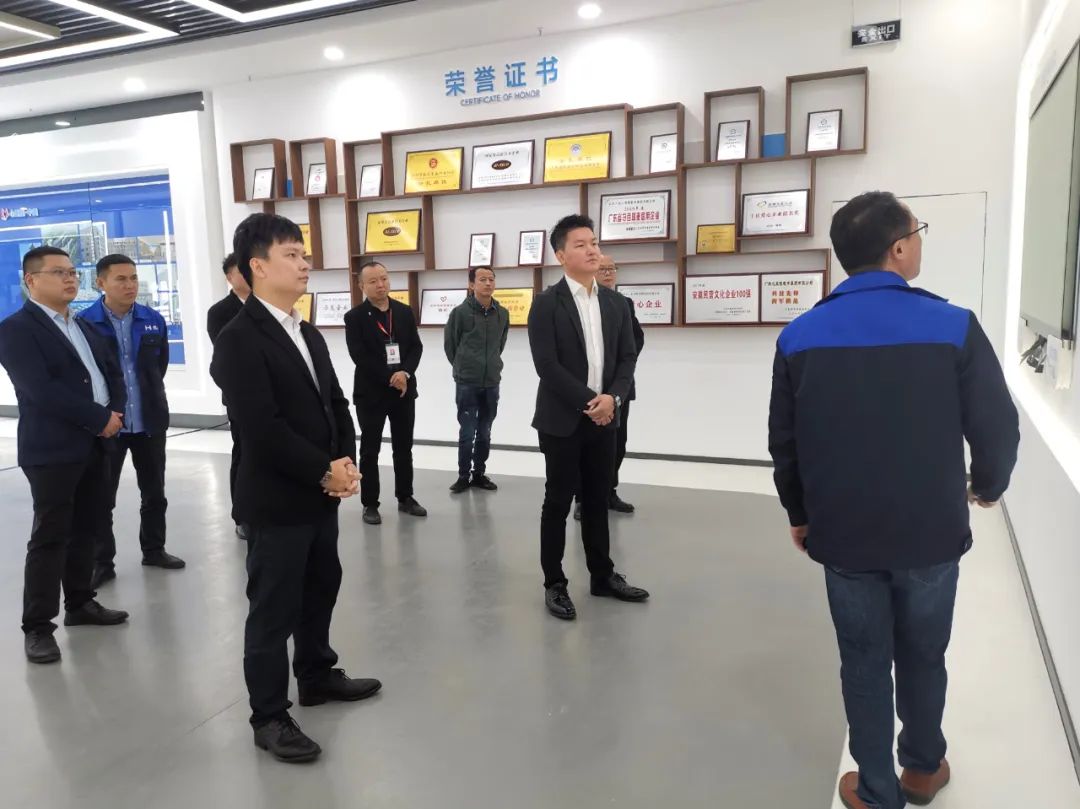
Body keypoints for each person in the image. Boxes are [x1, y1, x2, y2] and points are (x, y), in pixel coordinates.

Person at [768, 191, 1019, 809]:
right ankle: (924, 768)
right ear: (899, 248)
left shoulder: (799, 336)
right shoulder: (953, 325)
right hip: (930, 531)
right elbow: (996, 425)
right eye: (918, 232)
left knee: (863, 660)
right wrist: (987, 486)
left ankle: (878, 789)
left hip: (844, 534)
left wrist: (799, 515)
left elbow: (785, 443)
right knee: (925, 652)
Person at [210, 213, 379, 764]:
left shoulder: (305, 331)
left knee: (320, 585)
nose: (305, 264)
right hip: (276, 497)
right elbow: (261, 429)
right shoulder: (238, 339)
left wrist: (346, 460)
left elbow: (335, 403)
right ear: (257, 266)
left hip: (318, 492)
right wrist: (323, 470)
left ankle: (316, 673)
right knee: (272, 609)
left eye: (303, 254)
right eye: (291, 254)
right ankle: (268, 715)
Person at [0, 246, 130, 665]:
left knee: (88, 526)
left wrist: (115, 412)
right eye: (59, 272)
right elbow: (41, 390)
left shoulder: (83, 325)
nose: (70, 278)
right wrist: (99, 418)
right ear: (31, 281)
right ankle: (38, 627)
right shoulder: (16, 329)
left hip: (97, 442)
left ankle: (80, 602)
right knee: (50, 536)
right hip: (53, 448)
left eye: (72, 271)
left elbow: (111, 373)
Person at [527, 214, 649, 621]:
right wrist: (591, 400)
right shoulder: (547, 304)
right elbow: (547, 365)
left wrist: (613, 397)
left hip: (605, 418)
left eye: (594, 242)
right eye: (580, 244)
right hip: (563, 419)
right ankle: (554, 582)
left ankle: (602, 575)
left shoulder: (616, 303)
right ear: (561, 255)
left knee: (597, 499)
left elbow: (628, 357)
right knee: (558, 501)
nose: (592, 250)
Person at [78, 254, 185, 588]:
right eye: (121, 279)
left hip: (149, 420)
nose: (130, 285)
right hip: (108, 424)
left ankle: (154, 549)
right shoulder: (85, 324)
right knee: (102, 497)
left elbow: (159, 366)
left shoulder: (152, 320)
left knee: (154, 492)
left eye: (134, 278)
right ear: (101, 283)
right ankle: (101, 562)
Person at [344, 261, 426, 525]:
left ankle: (405, 497)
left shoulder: (403, 312)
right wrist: (390, 376)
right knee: (370, 451)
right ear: (361, 286)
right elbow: (360, 356)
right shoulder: (354, 317)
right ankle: (370, 503)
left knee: (404, 447)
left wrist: (405, 373)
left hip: (403, 392)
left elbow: (415, 347)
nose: (380, 285)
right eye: (373, 281)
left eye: (384, 278)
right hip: (371, 393)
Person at [574, 255, 644, 520]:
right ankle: (582, 498)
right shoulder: (580, 303)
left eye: (611, 268)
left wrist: (619, 369)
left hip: (619, 388)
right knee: (585, 445)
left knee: (617, 443)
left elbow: (635, 342)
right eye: (602, 268)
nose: (607, 273)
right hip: (588, 388)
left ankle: (608, 491)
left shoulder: (624, 304)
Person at [444, 266, 509, 494]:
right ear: (472, 285)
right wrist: (464, 367)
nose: (488, 283)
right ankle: (463, 476)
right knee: (467, 431)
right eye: (482, 279)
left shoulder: (502, 313)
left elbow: (500, 344)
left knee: (485, 431)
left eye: (491, 279)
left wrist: (490, 365)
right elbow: (451, 346)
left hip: (491, 381)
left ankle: (479, 473)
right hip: (467, 382)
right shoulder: (460, 313)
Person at [206, 252, 251, 540]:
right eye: (239, 271)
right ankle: (242, 515)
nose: (246, 275)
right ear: (229, 277)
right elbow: (226, 357)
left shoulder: (267, 305)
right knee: (244, 454)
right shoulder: (220, 312)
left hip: (275, 395)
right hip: (240, 395)